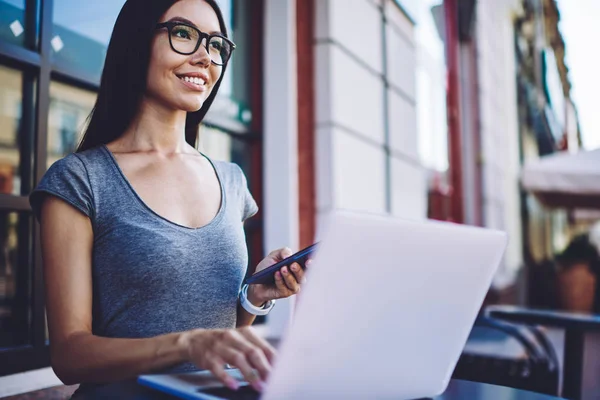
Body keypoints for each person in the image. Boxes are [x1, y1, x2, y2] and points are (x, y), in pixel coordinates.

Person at [29, 0, 307, 395]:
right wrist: (186, 342)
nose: (204, 57)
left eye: (215, 45)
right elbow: (70, 356)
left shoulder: (231, 180)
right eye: (183, 34)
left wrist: (253, 297)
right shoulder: (81, 180)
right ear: (137, 43)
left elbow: (216, 339)